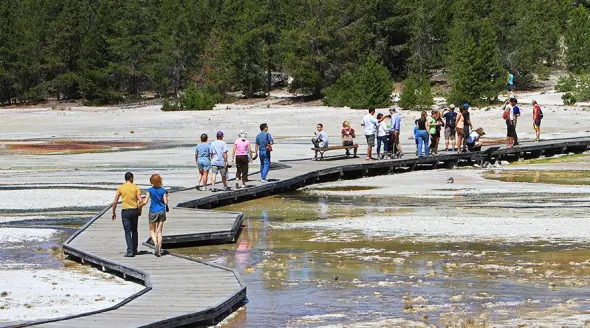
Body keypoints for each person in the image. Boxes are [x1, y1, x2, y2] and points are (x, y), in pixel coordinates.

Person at [111, 172, 143, 257]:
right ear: (131, 178)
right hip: (134, 210)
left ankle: (130, 251)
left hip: (125, 211)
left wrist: (113, 212)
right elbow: (141, 200)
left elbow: (115, 202)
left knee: (127, 231)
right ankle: (135, 249)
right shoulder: (135, 187)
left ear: (125, 179)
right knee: (134, 230)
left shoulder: (121, 188)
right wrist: (140, 209)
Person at [141, 174, 168, 257]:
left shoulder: (150, 190)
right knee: (159, 231)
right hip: (161, 211)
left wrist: (139, 206)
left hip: (153, 211)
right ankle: (159, 251)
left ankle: (155, 243)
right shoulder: (163, 190)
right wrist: (166, 197)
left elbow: (145, 201)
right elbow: (165, 202)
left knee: (152, 230)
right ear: (160, 180)